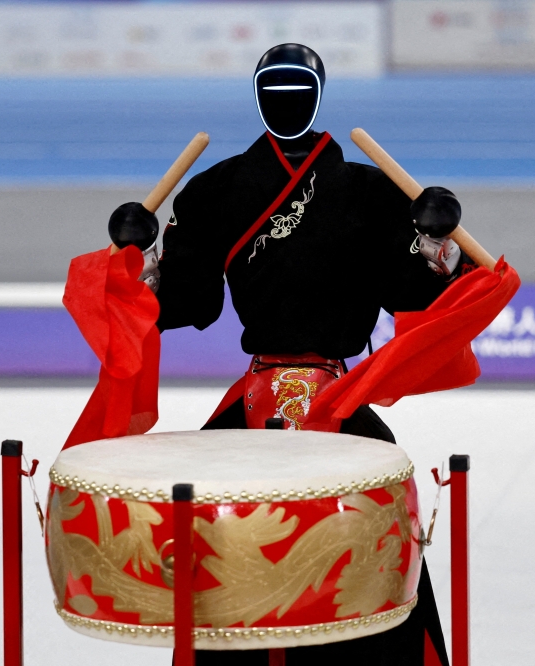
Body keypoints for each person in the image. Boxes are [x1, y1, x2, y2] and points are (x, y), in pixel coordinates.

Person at [106, 43, 475, 666]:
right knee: (210, 540)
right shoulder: (214, 191)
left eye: (298, 85)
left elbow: (410, 293)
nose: (285, 98)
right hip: (258, 394)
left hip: (337, 397)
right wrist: (138, 259)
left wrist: (438, 244)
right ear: (256, 96)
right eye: (273, 87)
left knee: (379, 532)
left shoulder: (371, 192)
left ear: (319, 93)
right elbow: (188, 301)